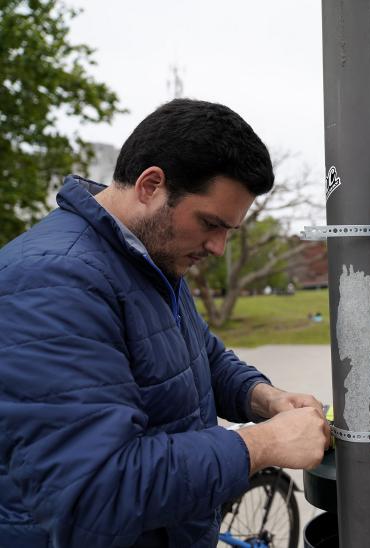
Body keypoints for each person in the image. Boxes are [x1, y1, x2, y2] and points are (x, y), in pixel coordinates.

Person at [0, 99, 331, 547]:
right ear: (150, 185)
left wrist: (263, 398)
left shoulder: (149, 255)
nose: (217, 248)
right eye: (210, 223)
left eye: (229, 232)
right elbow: (95, 491)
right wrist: (262, 445)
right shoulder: (54, 280)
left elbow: (197, 355)